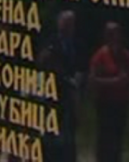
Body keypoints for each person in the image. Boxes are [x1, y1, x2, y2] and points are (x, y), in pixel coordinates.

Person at [90, 21, 129, 162]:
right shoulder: (100, 56)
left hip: (121, 102)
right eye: (110, 34)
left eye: (116, 33)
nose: (114, 37)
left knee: (118, 137)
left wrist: (128, 81)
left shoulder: (126, 56)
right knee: (105, 137)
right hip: (105, 102)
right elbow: (93, 80)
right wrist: (114, 82)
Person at [39, 10, 81, 162]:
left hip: (68, 95)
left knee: (68, 138)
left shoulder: (76, 44)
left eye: (71, 24)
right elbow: (43, 62)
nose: (69, 27)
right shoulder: (51, 43)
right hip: (52, 96)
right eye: (66, 23)